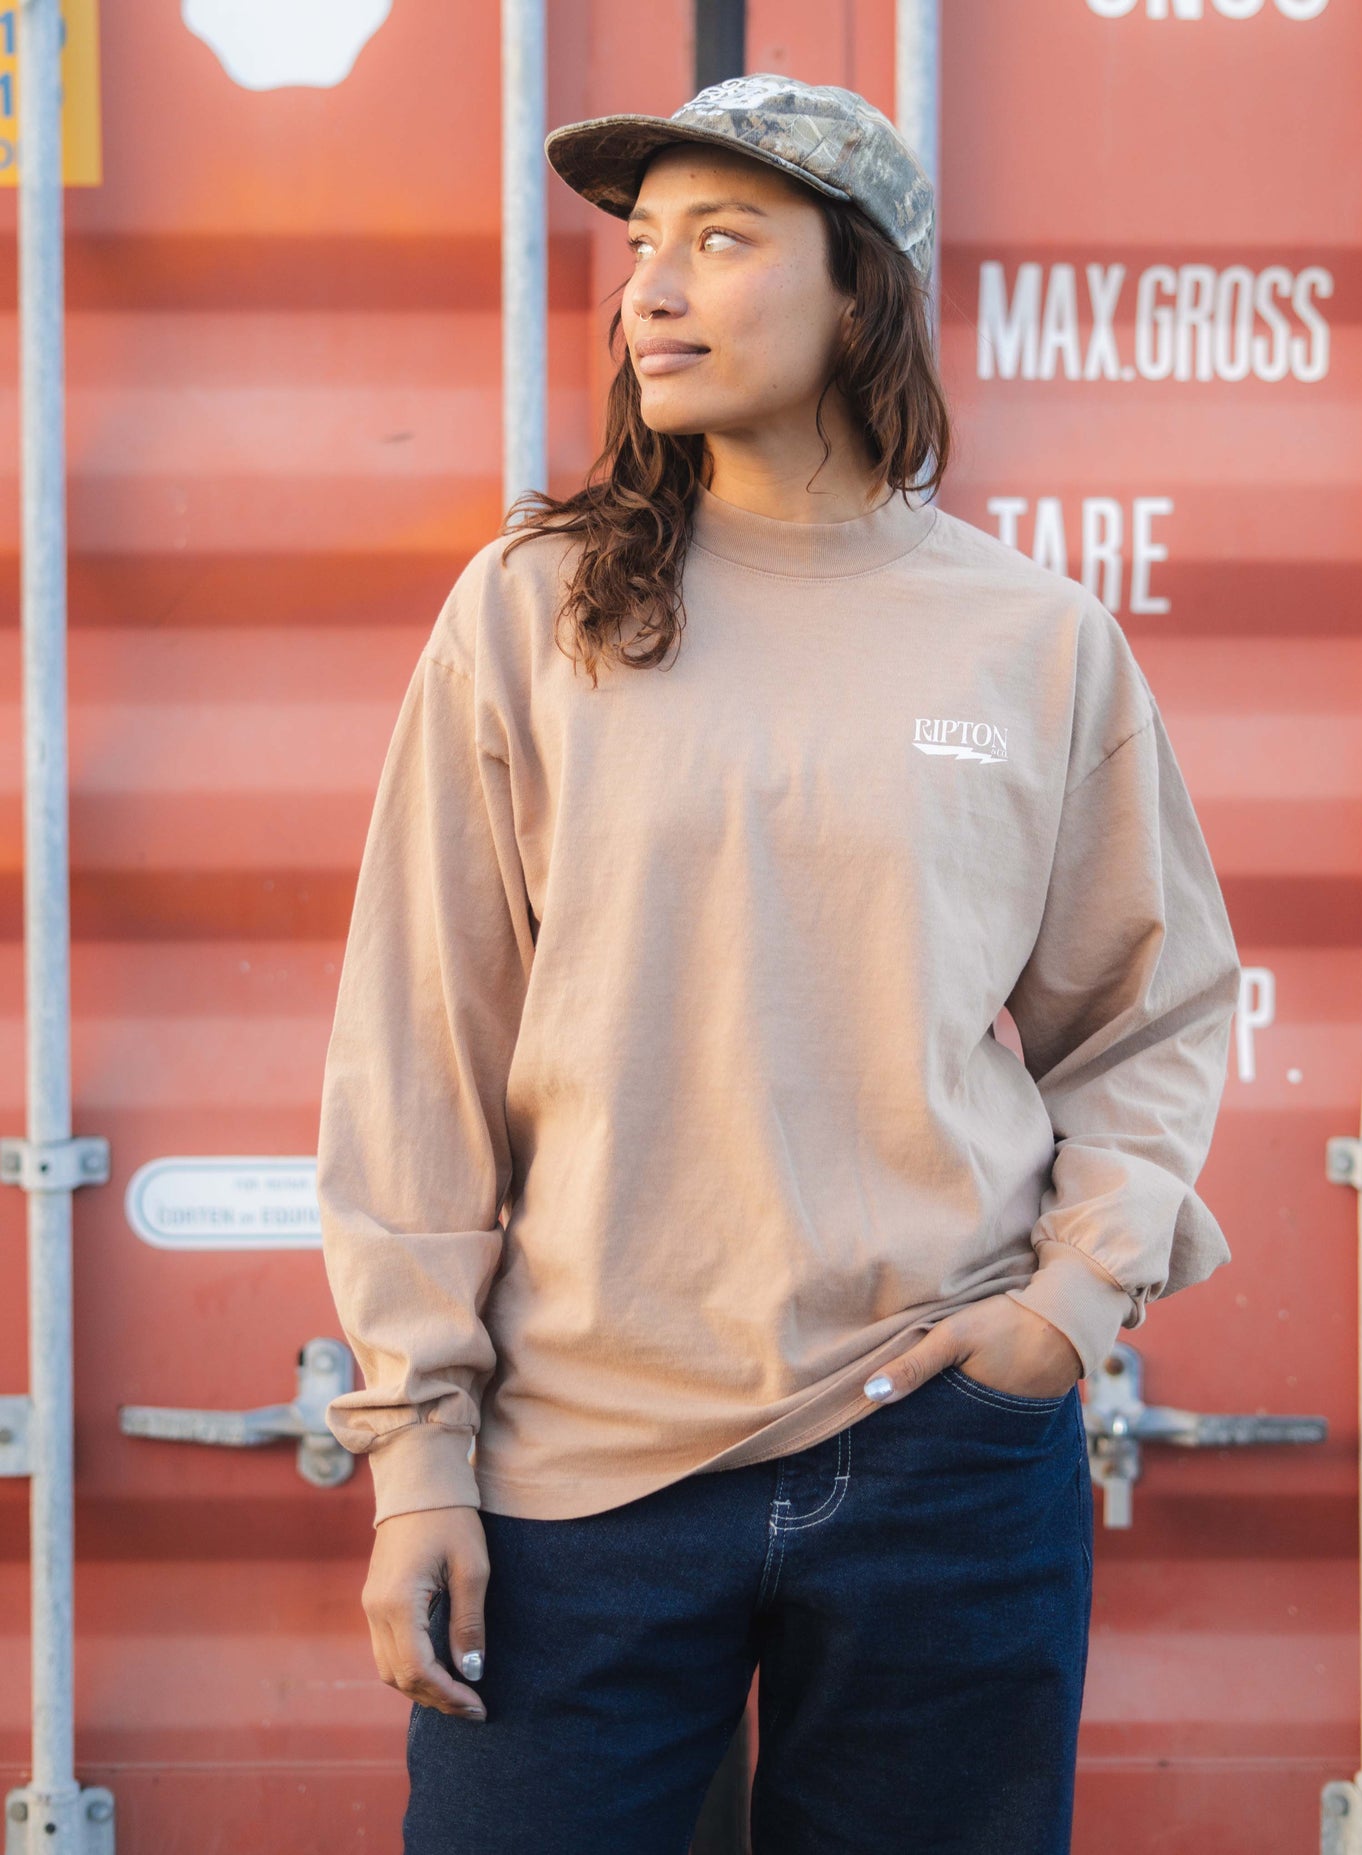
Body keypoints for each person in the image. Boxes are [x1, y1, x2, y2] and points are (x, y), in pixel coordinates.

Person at [315, 73, 1242, 1855]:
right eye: (640, 248)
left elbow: (1154, 1011)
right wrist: (415, 1453)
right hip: (578, 1473)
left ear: (859, 290)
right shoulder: (534, 610)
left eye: (723, 241)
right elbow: (419, 1049)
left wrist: (1061, 1312)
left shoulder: (1034, 641)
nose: (651, 291)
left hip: (943, 1454)